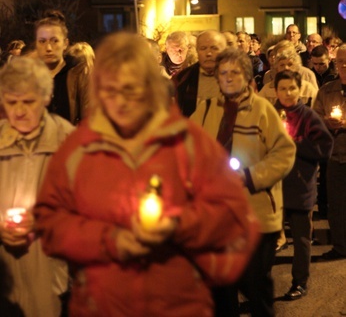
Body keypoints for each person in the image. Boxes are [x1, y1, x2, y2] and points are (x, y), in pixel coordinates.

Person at [34, 32, 258, 317]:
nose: (123, 100)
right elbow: (50, 219)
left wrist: (180, 226)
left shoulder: (187, 142)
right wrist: (108, 240)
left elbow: (236, 217)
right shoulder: (80, 148)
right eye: (113, 87)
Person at [191, 48, 296, 317]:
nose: (227, 78)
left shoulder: (262, 109)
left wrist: (249, 177)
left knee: (255, 286)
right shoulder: (205, 110)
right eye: (222, 73)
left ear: (247, 76)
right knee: (221, 289)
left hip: (256, 215)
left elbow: (284, 153)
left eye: (234, 72)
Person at [0, 57, 74, 317]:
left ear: (45, 97)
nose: (19, 111)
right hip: (4, 275)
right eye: (11, 102)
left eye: (28, 101)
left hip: (50, 270)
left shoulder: (68, 141)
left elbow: (86, 207)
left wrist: (44, 218)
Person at [274, 70, 333, 300]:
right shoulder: (270, 114)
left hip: (300, 187)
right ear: (276, 91)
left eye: (292, 88)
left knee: (300, 239)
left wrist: (295, 145)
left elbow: (324, 147)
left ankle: (300, 282)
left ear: (300, 90)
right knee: (268, 238)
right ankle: (261, 282)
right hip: (275, 187)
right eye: (282, 89)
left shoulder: (308, 116)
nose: (288, 93)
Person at [313, 44, 346, 260]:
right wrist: (327, 122)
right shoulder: (327, 91)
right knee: (337, 206)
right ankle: (341, 247)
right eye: (340, 62)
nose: (343, 66)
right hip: (336, 157)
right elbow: (314, 120)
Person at [35, 13, 89, 124]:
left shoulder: (78, 72)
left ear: (65, 44)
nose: (48, 48)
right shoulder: (28, 76)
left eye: (54, 41)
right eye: (42, 41)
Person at [174, 29, 227, 117]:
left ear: (224, 51)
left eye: (214, 48)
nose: (208, 53)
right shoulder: (183, 78)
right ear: (197, 51)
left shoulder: (237, 77)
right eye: (203, 48)